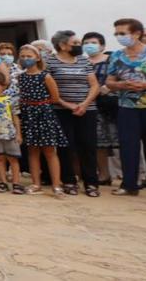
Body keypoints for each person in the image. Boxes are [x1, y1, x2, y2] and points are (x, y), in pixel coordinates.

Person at [46, 30, 101, 197]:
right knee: (66, 147)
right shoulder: (50, 62)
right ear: (62, 45)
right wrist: (67, 105)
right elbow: (48, 87)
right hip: (61, 110)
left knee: (88, 146)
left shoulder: (84, 61)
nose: (79, 46)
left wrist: (83, 104)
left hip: (87, 110)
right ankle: (69, 181)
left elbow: (94, 85)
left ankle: (91, 183)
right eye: (74, 44)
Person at [105, 18, 146, 196]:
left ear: (137, 33)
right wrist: (121, 85)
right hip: (127, 106)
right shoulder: (116, 56)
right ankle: (129, 184)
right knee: (128, 145)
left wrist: (145, 86)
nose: (119, 36)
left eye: (122, 33)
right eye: (117, 33)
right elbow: (109, 81)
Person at [16, 44, 68, 197]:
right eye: (23, 56)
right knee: (32, 151)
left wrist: (40, 105)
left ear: (37, 58)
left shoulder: (45, 76)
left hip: (44, 114)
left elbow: (55, 97)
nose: (26, 59)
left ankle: (57, 185)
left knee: (50, 151)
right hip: (27, 114)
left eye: (29, 56)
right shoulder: (21, 77)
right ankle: (36, 183)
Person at [85, 32, 119, 185]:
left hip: (112, 105)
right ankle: (104, 175)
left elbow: (121, 77)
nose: (89, 45)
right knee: (98, 143)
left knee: (120, 140)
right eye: (86, 43)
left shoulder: (112, 59)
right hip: (92, 106)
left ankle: (129, 175)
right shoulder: (82, 62)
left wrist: (109, 87)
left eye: (93, 42)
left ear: (102, 45)